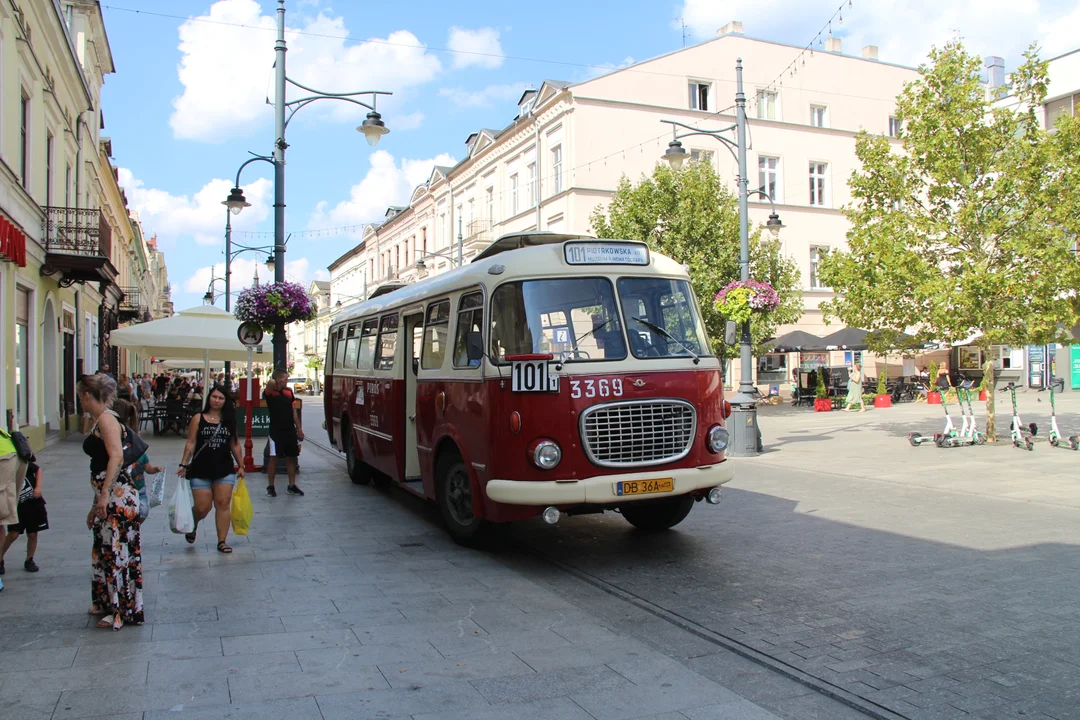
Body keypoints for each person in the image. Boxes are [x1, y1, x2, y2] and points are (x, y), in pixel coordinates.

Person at [78, 373, 144, 630]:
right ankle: (109, 603)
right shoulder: (100, 420)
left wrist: (104, 496)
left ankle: (120, 610)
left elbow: (116, 458)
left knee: (116, 551)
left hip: (117, 496)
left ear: (87, 395)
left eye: (79, 395)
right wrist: (96, 501)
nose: (80, 400)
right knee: (106, 549)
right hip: (110, 494)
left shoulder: (106, 419)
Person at [178, 387, 244, 553]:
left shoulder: (229, 420)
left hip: (224, 467)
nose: (217, 400)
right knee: (202, 507)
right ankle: (193, 523)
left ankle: (222, 541)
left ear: (225, 401)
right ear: (209, 398)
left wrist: (241, 465)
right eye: (214, 397)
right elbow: (191, 442)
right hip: (201, 467)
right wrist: (183, 463)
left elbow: (234, 443)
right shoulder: (198, 418)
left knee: (222, 504)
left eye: (221, 398)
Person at [1, 457, 46, 575]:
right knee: (13, 534)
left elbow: (37, 469)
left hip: (33, 503)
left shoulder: (21, 461)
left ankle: (29, 560)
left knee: (33, 533)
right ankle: (0, 558)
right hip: (16, 506)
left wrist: (38, 487)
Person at [264, 369, 304, 497]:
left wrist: (299, 429)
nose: (287, 381)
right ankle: (271, 486)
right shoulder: (270, 392)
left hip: (289, 429)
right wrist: (276, 380)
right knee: (273, 457)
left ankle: (291, 485)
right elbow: (270, 384)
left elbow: (294, 411)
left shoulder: (289, 392)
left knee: (291, 457)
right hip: (276, 429)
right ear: (278, 379)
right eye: (285, 379)